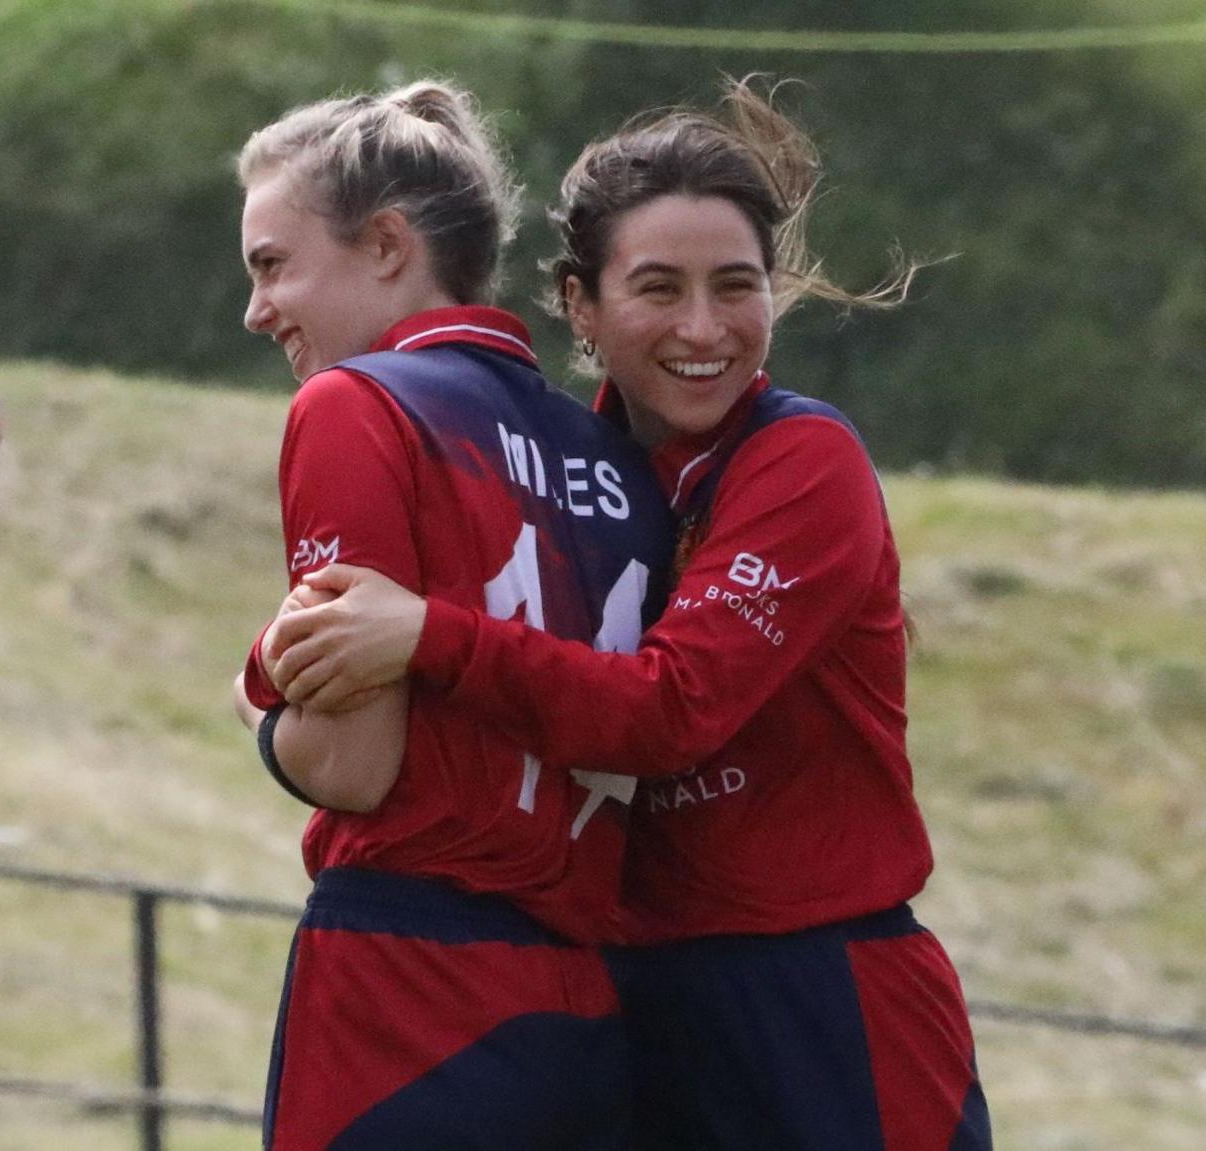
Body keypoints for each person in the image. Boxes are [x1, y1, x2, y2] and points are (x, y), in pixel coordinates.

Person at [263, 78, 992, 1150]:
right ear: (578, 306)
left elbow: (665, 713)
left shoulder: (801, 456)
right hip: (630, 1002)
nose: (703, 328)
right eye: (658, 287)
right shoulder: (573, 469)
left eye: (734, 286)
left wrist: (424, 632)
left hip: (819, 994)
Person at [229, 81, 676, 1150]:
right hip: (586, 1006)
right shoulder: (616, 456)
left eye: (271, 264)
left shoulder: (355, 403)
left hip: (408, 987)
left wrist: (255, 714)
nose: (255, 309)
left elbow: (354, 763)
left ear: (386, 243)